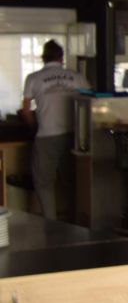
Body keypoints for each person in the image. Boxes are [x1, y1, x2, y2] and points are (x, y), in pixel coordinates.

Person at [20, 40, 87, 220]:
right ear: (61, 58)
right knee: (73, 183)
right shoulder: (76, 77)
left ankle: (50, 224)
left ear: (43, 57)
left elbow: (26, 110)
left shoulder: (33, 78)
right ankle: (76, 222)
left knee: (44, 184)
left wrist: (33, 127)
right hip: (74, 137)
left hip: (46, 135)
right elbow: (90, 103)